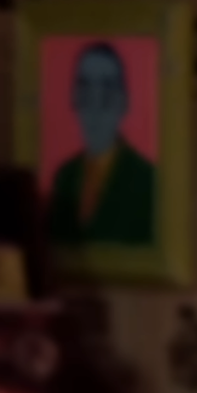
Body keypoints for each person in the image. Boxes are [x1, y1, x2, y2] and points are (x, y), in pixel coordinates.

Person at [46, 41, 160, 244]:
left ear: (123, 103)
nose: (95, 107)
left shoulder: (147, 181)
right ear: (74, 99)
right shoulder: (64, 177)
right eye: (86, 92)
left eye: (106, 94)